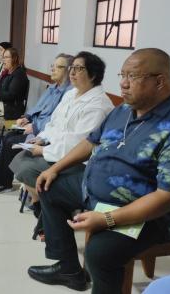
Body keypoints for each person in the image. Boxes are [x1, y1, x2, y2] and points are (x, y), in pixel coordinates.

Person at [27, 48, 170, 293]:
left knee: (100, 252)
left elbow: (167, 198)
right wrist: (57, 168)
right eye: (122, 75)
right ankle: (69, 269)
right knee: (49, 187)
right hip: (98, 194)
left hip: (151, 213)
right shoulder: (125, 109)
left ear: (160, 81)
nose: (123, 84)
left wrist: (107, 218)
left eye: (133, 77)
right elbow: (91, 141)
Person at [9, 51, 114, 208]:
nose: (72, 72)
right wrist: (42, 138)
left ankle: (48, 206)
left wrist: (44, 151)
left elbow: (79, 145)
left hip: (78, 161)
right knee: (19, 159)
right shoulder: (71, 94)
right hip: (56, 148)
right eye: (72, 67)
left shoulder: (98, 105)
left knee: (26, 169)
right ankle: (42, 204)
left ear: (93, 75)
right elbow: (54, 123)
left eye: (79, 68)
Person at [0, 53, 73, 194]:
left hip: (38, 130)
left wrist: (34, 126)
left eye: (58, 67)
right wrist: (27, 117)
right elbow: (38, 107)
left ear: (68, 70)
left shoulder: (69, 93)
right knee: (8, 136)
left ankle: (2, 182)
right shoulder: (52, 88)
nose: (53, 70)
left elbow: (56, 121)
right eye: (52, 66)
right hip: (32, 125)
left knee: (10, 139)